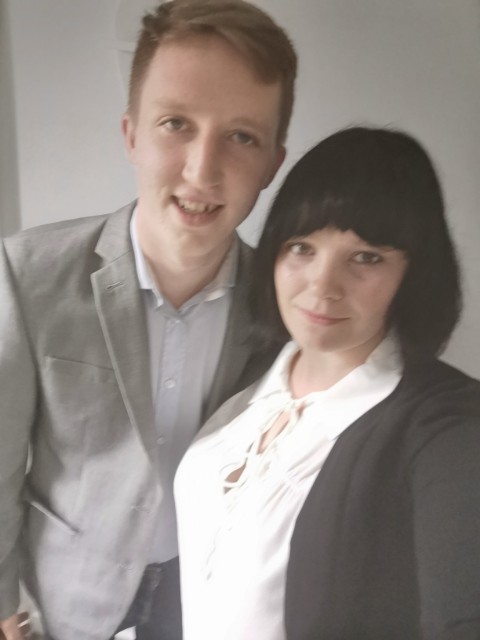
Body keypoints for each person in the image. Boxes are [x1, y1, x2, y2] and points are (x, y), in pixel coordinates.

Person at [0, 1, 297, 639]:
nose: (202, 170)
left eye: (241, 137)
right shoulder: (27, 274)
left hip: (202, 592)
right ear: (132, 133)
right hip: (63, 596)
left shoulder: (283, 303)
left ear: (273, 163)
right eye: (176, 124)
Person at [174, 126, 480, 640]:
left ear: (414, 272)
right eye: (301, 248)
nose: (322, 286)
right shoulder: (250, 372)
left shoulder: (447, 427)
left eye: (366, 257)